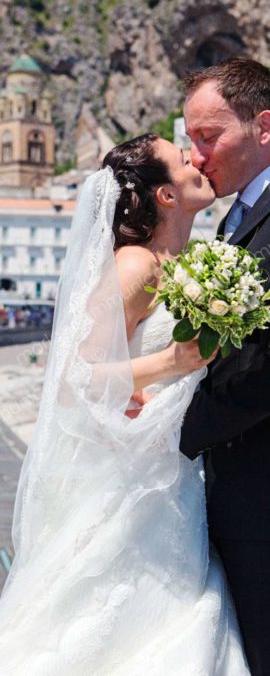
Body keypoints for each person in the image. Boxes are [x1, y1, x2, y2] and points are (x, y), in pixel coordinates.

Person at [0, 134, 249, 675]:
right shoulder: (135, 266)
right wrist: (172, 364)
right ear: (164, 195)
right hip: (132, 478)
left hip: (176, 473)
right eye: (184, 159)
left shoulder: (186, 261)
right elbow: (72, 380)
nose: (197, 160)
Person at [181, 58, 270, 676]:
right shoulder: (233, 216)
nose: (196, 154)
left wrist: (171, 434)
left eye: (208, 136)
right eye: (190, 137)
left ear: (264, 127)